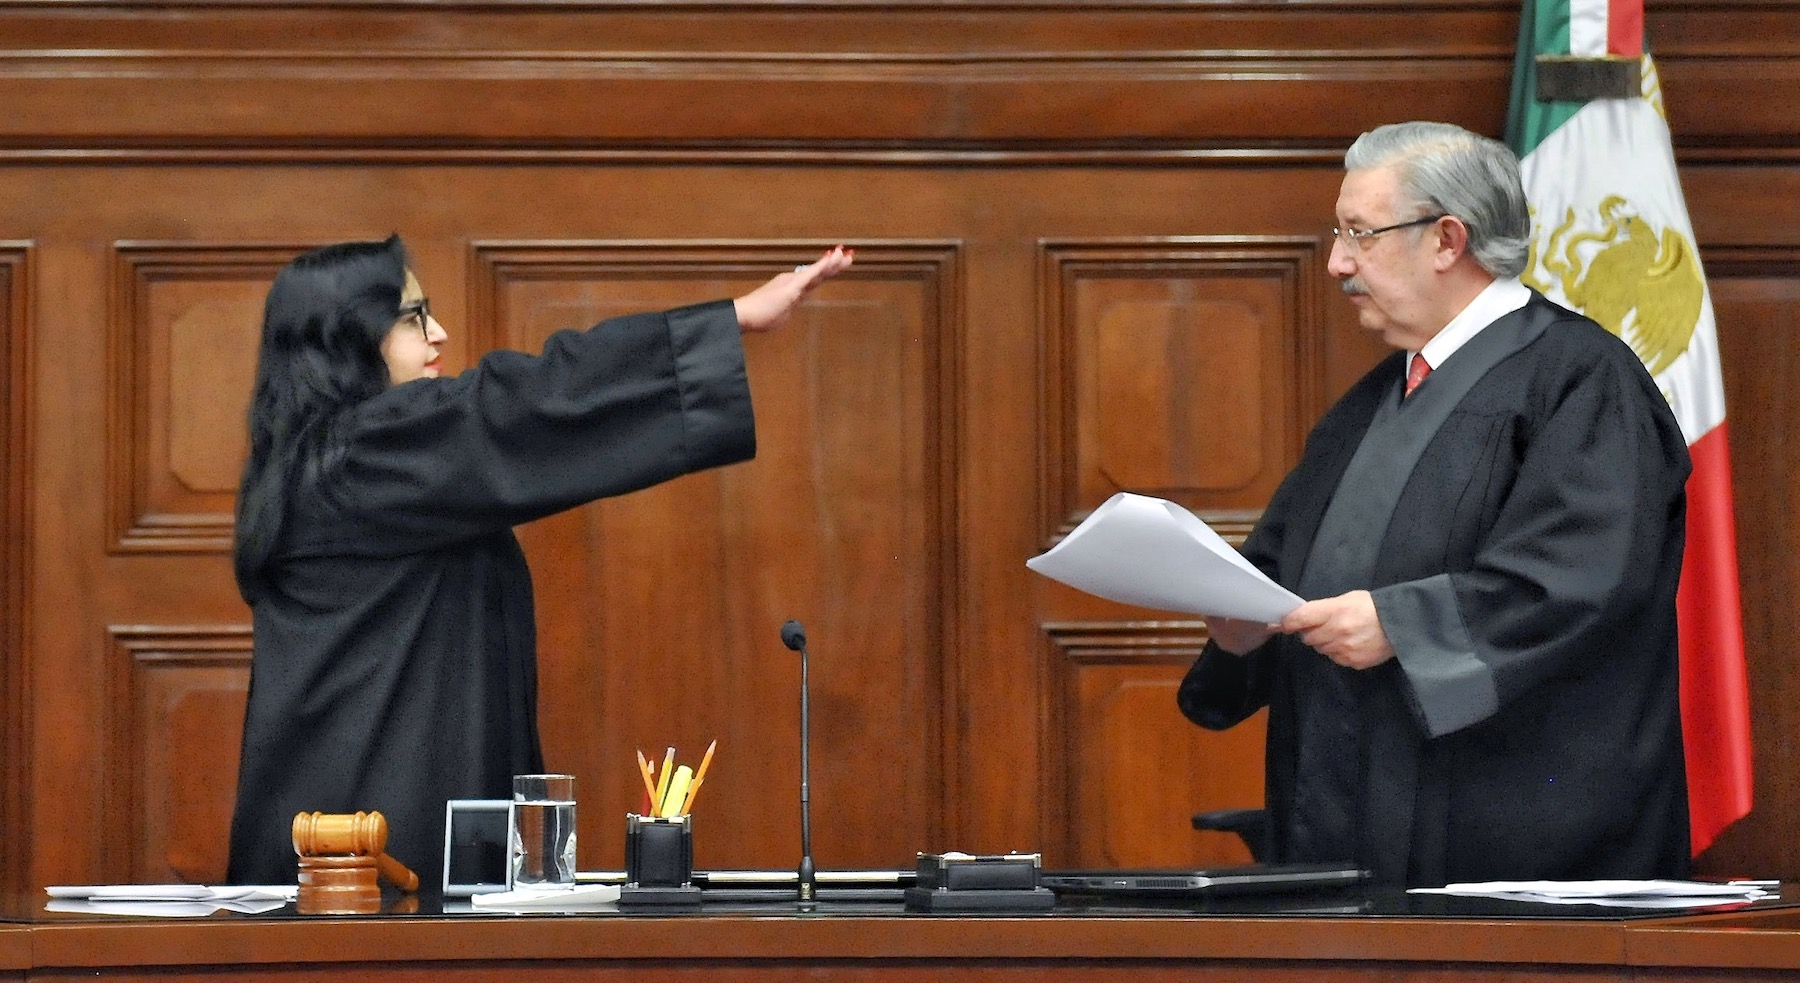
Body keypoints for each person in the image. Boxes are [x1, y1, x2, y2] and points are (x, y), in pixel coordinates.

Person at [226, 235, 853, 885]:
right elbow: (523, 401)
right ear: (346, 336)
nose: (438, 333)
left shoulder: (323, 461)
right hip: (361, 861)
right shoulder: (361, 458)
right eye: (413, 317)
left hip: (357, 840)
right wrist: (732, 319)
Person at [1176, 121, 1692, 887]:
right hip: (1344, 830)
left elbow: (1582, 580)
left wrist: (1399, 624)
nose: (1336, 262)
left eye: (1360, 234)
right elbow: (1281, 573)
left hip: (1517, 845)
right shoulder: (1369, 403)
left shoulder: (1584, 379)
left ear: (1448, 239)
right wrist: (1243, 627)